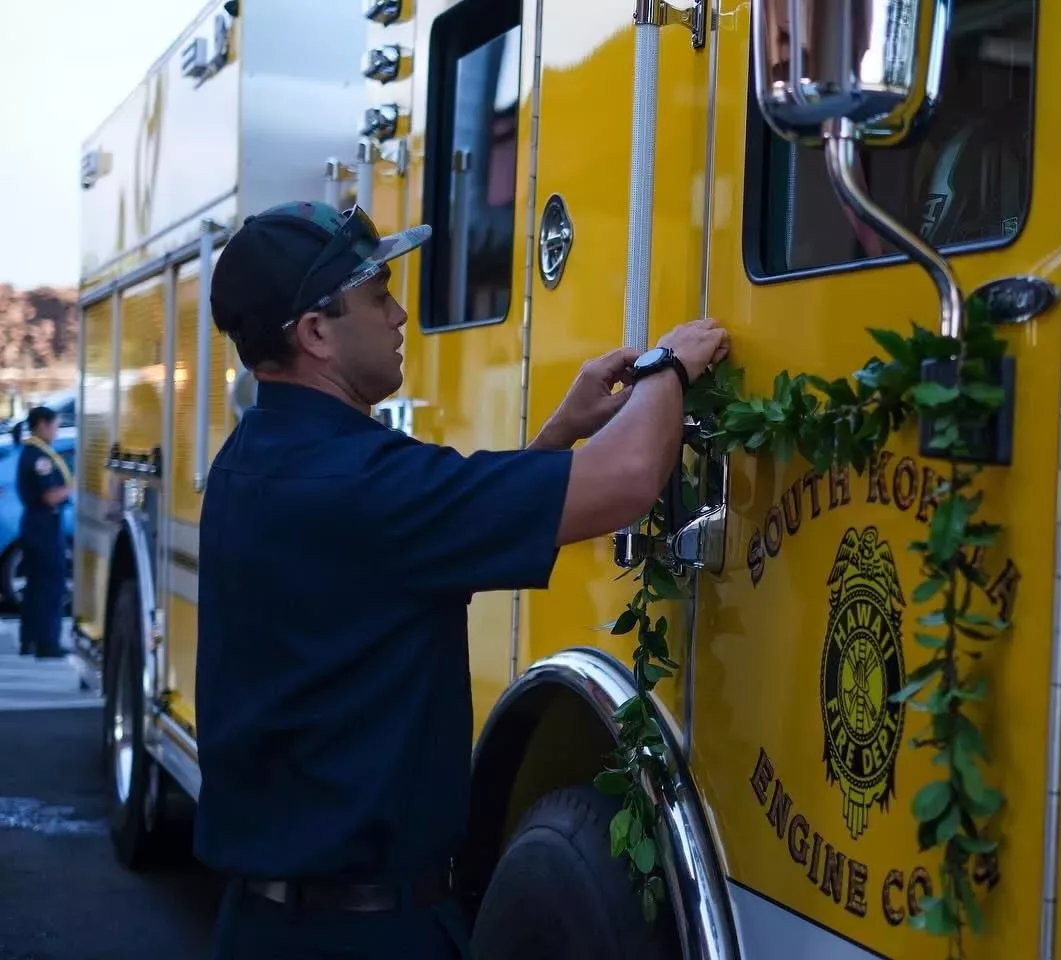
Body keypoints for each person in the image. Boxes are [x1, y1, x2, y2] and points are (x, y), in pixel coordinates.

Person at [194, 200, 728, 959]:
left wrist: (564, 431)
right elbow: (630, 480)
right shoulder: (362, 482)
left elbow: (424, 560)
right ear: (314, 332)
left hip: (274, 925)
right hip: (365, 933)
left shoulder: (257, 462)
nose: (400, 313)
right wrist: (669, 367)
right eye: (377, 296)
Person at [15, 405, 71, 659]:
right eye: (55, 425)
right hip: (44, 528)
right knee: (50, 586)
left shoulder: (32, 452)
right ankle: (47, 643)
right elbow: (49, 496)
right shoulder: (39, 457)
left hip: (35, 527)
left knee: (35, 586)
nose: (56, 431)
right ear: (41, 425)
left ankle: (29, 641)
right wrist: (73, 489)